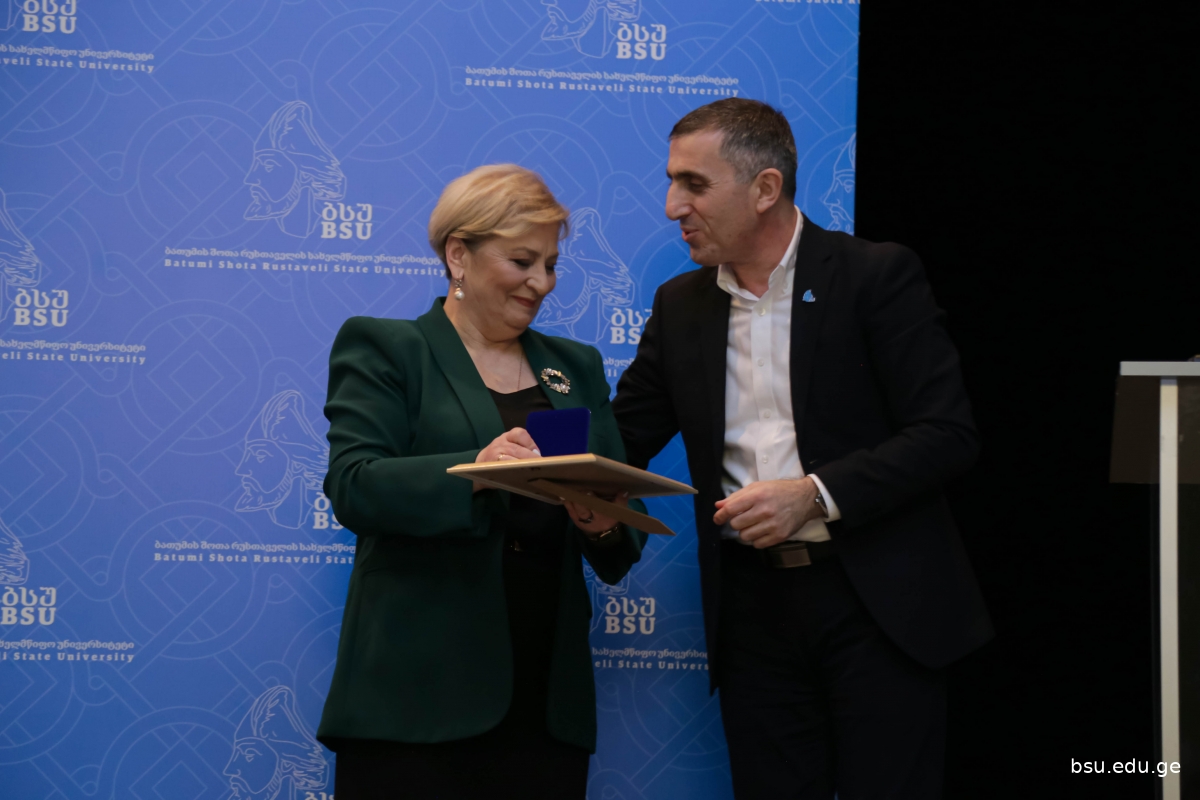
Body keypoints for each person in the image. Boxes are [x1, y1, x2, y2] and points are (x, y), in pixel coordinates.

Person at [612, 99, 993, 799]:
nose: (672, 207)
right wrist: (537, 447)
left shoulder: (873, 276)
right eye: (671, 182)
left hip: (875, 604)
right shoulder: (680, 305)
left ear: (765, 188)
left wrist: (814, 496)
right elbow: (622, 438)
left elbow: (946, 434)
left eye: (694, 184)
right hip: (752, 613)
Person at [316, 163, 648, 800]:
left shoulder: (575, 367)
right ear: (458, 255)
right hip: (416, 693)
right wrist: (477, 471)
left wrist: (602, 523)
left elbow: (616, 544)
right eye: (522, 261)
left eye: (550, 264)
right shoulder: (387, 348)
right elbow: (355, 485)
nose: (541, 282)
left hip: (544, 696)